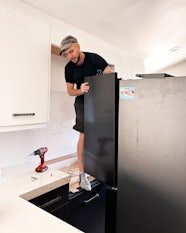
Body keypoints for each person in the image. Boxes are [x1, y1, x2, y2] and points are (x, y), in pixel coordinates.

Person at [60, 35, 112, 191]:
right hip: (82, 102)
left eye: (71, 51)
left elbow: (110, 76)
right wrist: (80, 90)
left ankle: (102, 166)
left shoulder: (95, 59)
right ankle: (82, 174)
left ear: (78, 46)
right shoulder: (68, 68)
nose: (70, 56)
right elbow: (70, 91)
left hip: (100, 100)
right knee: (84, 134)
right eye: (66, 54)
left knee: (103, 132)